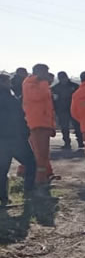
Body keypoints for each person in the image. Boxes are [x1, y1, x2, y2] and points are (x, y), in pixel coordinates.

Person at [0, 74, 36, 205]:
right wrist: (25, 132)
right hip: (15, 139)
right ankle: (28, 192)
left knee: (2, 170)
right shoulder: (10, 98)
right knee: (31, 163)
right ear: (3, 82)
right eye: (8, 81)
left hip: (1, 141)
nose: (10, 83)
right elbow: (19, 117)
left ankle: (3, 198)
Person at [22, 64, 56, 185]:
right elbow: (38, 97)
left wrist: (51, 125)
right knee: (40, 152)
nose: (48, 74)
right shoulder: (30, 83)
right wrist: (44, 83)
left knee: (43, 152)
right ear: (39, 72)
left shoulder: (40, 83)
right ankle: (40, 180)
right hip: (37, 123)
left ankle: (46, 174)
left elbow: (48, 106)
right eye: (46, 71)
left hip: (43, 122)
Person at [51, 71, 83, 150]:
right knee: (64, 128)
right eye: (61, 78)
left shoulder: (75, 86)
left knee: (77, 127)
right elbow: (53, 100)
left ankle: (80, 142)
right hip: (62, 110)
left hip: (73, 109)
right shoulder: (55, 88)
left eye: (64, 77)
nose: (63, 79)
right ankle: (67, 143)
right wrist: (55, 109)